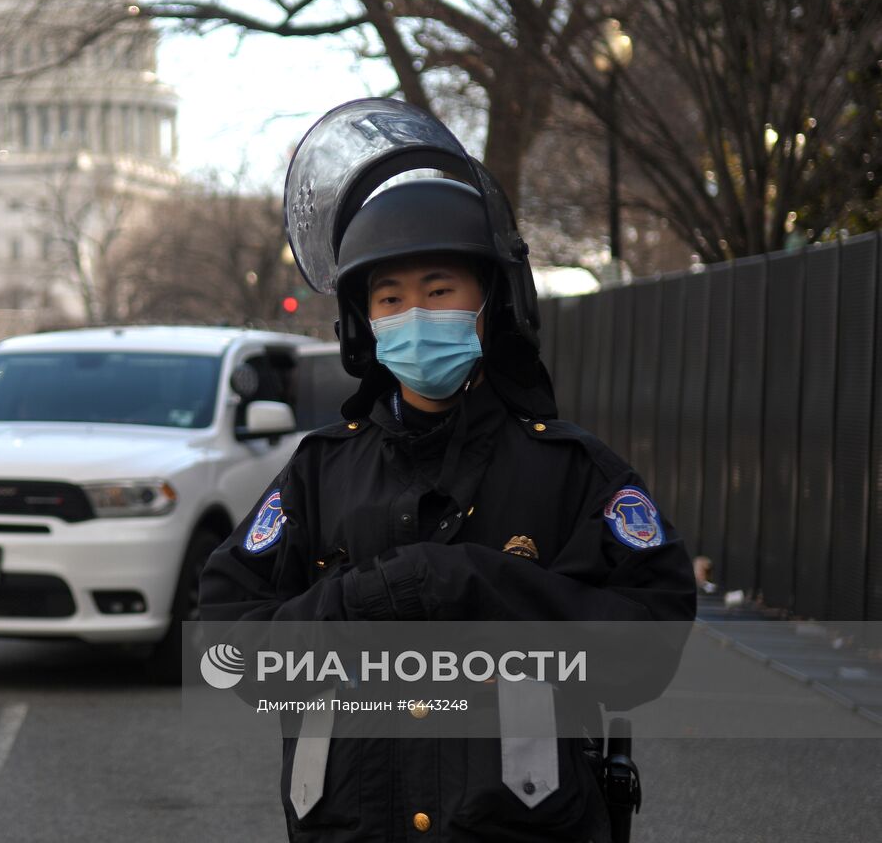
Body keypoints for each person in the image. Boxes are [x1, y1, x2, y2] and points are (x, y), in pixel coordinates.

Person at [198, 99, 696, 843]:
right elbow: (226, 652)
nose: (414, 314)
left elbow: (648, 648)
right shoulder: (320, 473)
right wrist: (357, 604)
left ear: (490, 301)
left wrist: (474, 584)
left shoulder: (569, 470)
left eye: (439, 290)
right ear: (363, 322)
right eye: (390, 298)